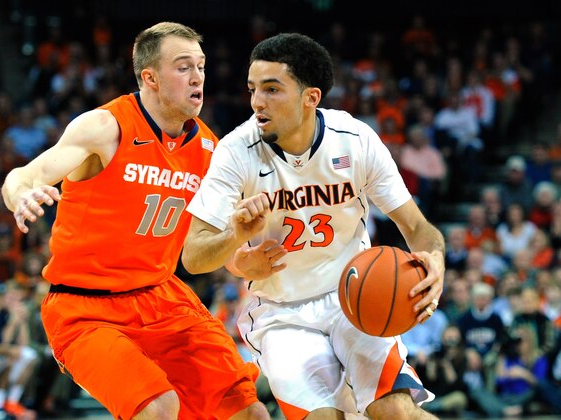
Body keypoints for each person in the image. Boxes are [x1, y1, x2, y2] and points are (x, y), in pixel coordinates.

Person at [1, 22, 268, 420]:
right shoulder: (105, 127)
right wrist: (22, 194)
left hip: (161, 298)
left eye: (201, 66)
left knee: (248, 411)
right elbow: (25, 174)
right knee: (159, 408)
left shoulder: (211, 149)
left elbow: (209, 251)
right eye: (183, 67)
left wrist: (240, 251)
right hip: (84, 308)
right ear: (150, 77)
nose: (197, 78)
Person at [182, 33, 446, 419]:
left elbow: (417, 227)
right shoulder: (234, 152)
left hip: (355, 298)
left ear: (311, 98)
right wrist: (236, 240)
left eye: (272, 89)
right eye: (253, 88)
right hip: (280, 312)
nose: (257, 102)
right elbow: (193, 256)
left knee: (396, 412)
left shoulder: (355, 140)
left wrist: (435, 258)